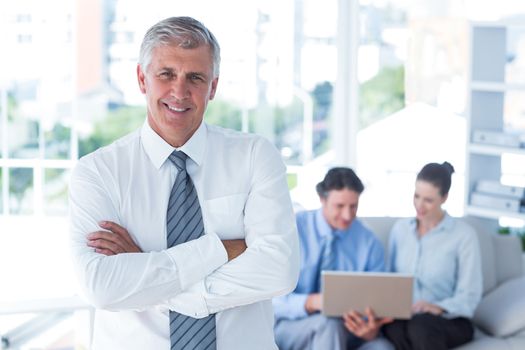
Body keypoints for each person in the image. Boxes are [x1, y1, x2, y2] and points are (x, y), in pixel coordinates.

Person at [69, 16, 299, 350]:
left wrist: (147, 271)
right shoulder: (98, 172)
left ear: (213, 87)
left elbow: (278, 269)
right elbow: (101, 286)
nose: (180, 91)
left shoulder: (255, 157)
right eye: (166, 74)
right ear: (141, 78)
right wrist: (220, 248)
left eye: (195, 77)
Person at [345, 162, 482, 350]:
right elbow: (389, 280)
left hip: (449, 320)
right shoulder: (400, 230)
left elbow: (470, 296)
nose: (419, 205)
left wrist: (438, 307)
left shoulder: (463, 235)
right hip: (406, 318)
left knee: (422, 325)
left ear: (444, 198)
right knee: (394, 328)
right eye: (416, 196)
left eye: (428, 200)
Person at [273, 167, 393, 350]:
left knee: (381, 347)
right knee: (328, 325)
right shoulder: (293, 230)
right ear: (322, 199)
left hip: (348, 329)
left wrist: (371, 328)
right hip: (293, 325)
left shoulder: (368, 240)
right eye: (340, 206)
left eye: (354, 207)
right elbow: (272, 299)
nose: (347, 215)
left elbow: (379, 298)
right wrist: (312, 302)